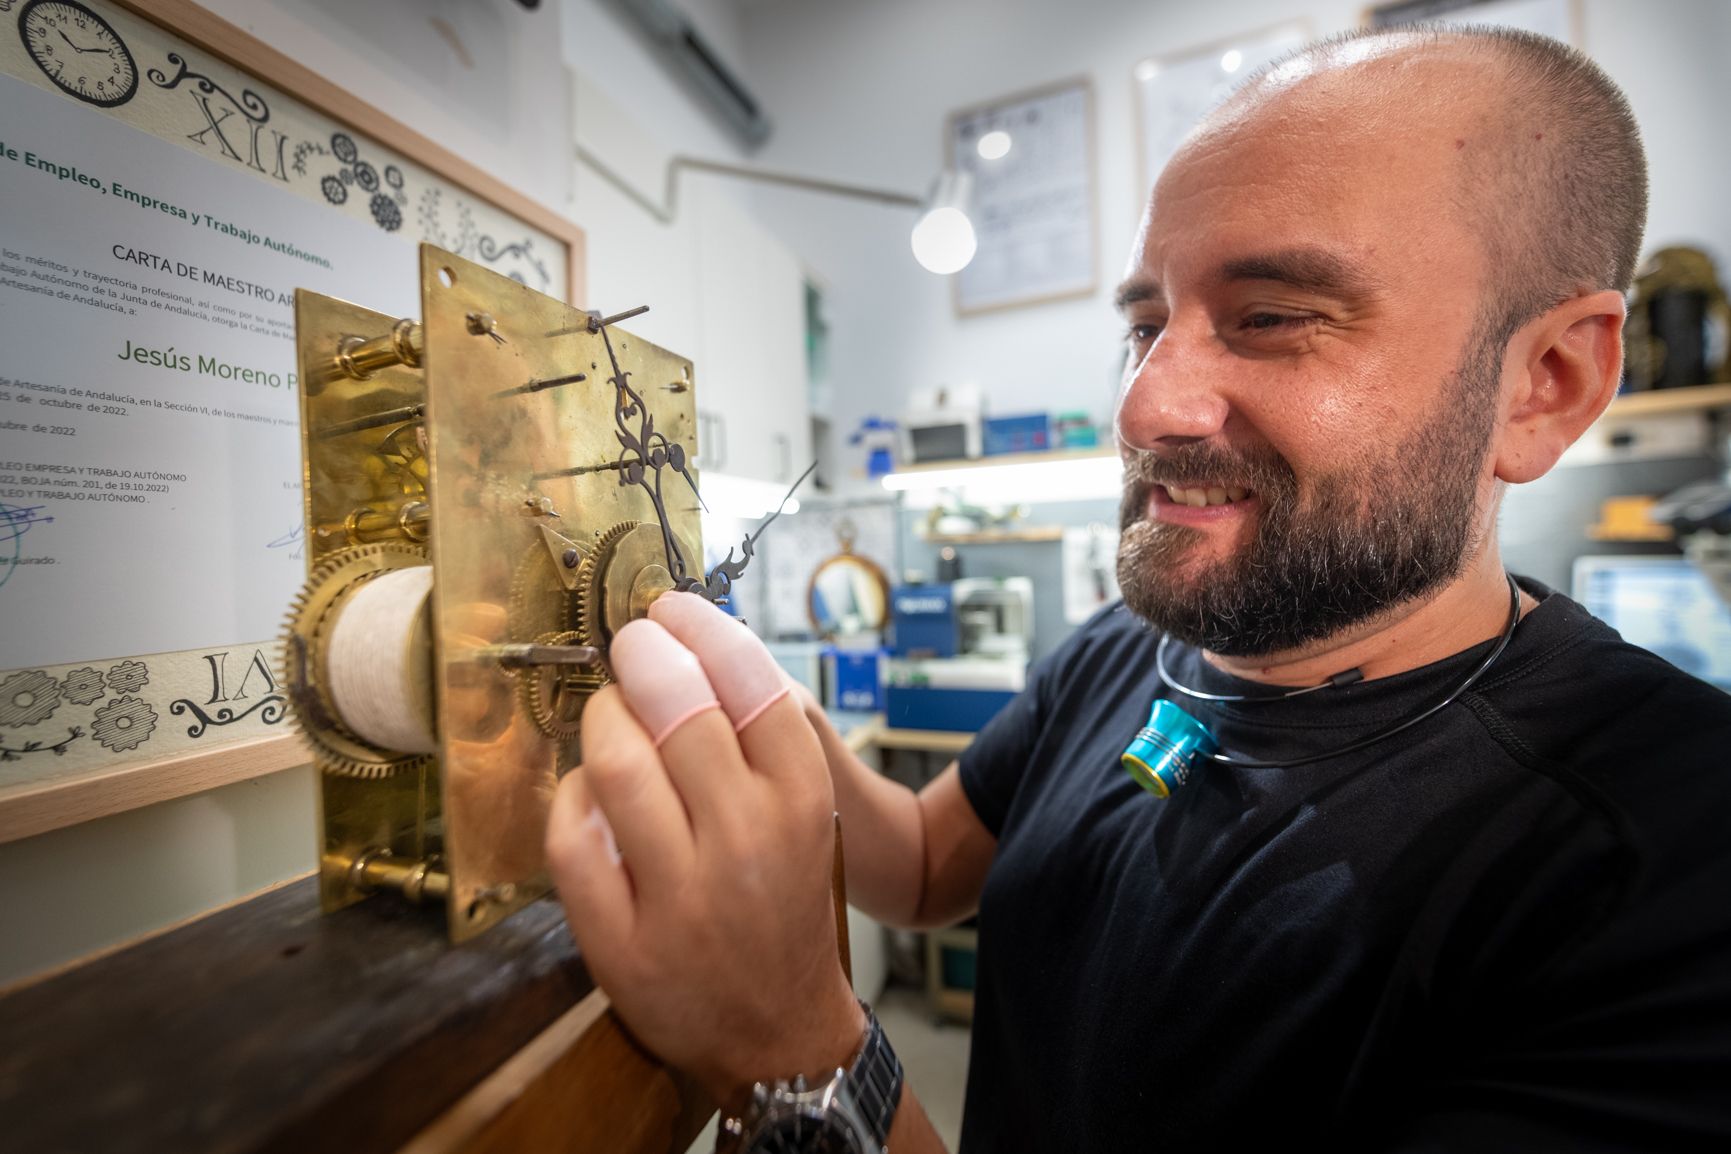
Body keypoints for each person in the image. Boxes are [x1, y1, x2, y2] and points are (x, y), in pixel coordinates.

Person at [545, 24, 1731, 1153]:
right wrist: (748, 702)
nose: (1144, 407)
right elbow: (915, 861)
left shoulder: (1665, 870)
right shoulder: (1127, 650)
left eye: (1270, 317)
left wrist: (794, 1053)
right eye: (1148, 323)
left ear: (1548, 383)